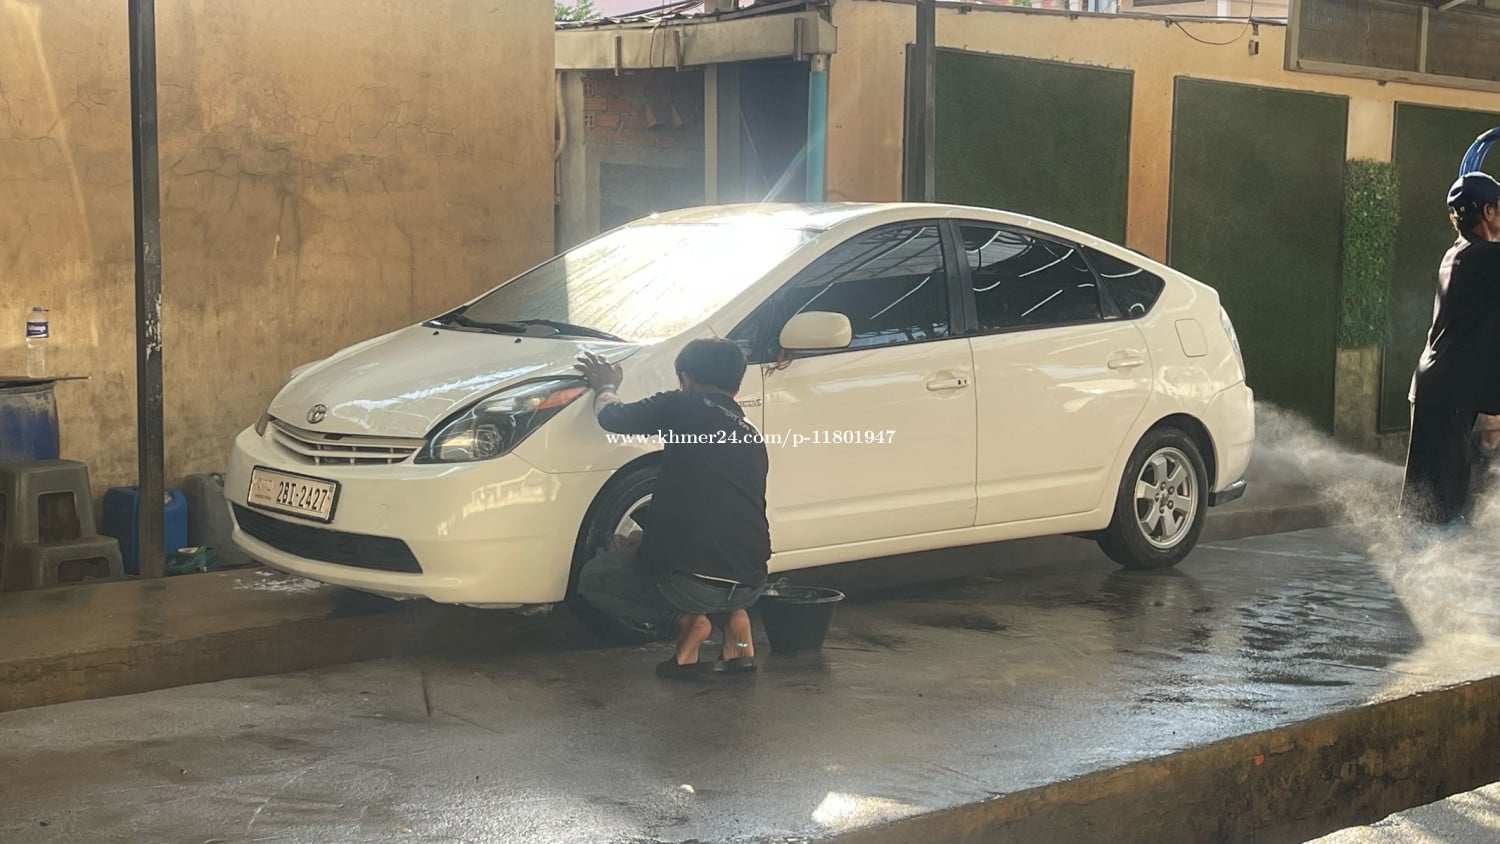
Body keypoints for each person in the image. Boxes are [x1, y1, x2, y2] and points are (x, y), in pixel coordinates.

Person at [573, 339, 772, 678]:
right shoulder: (749, 433)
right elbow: (718, 512)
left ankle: (691, 622)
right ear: (737, 388)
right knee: (709, 575)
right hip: (751, 583)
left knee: (595, 579)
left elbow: (614, 417)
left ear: (685, 378)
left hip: (692, 585)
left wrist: (606, 385)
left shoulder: (683, 404)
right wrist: (645, 541)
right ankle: (737, 628)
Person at [1400, 172, 1500, 525]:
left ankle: (1423, 552)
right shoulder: (1483, 258)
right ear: (1488, 211)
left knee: (1430, 500)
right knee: (1442, 506)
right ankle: (1433, 556)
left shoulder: (1459, 253)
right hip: (1448, 393)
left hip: (1439, 388)